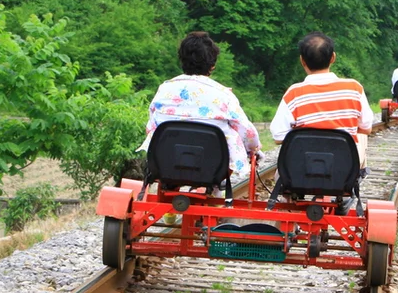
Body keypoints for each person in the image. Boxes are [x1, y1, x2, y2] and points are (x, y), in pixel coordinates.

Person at [139, 32, 261, 182]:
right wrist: (254, 148)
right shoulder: (223, 95)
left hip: (166, 163)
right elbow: (248, 133)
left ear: (181, 59)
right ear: (213, 65)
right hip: (213, 169)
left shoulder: (164, 90)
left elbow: (151, 126)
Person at [270, 32, 373, 169]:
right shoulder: (354, 88)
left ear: (302, 61)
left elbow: (278, 136)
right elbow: (366, 128)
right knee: (361, 139)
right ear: (333, 58)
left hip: (303, 169)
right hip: (343, 169)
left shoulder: (293, 93)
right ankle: (358, 176)